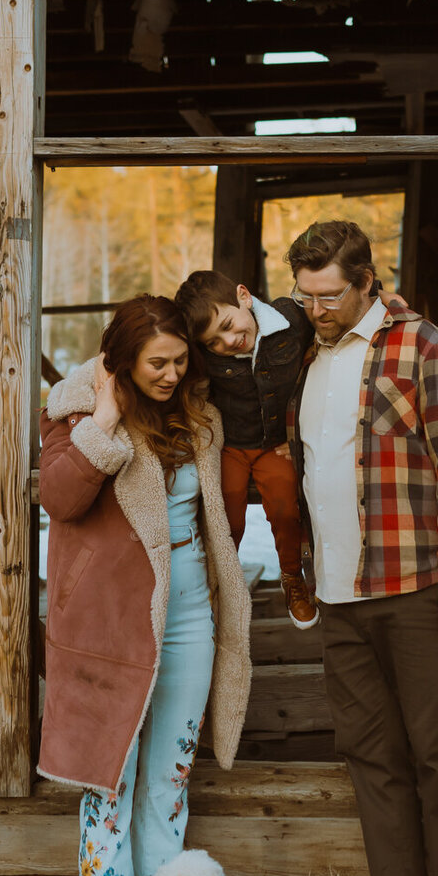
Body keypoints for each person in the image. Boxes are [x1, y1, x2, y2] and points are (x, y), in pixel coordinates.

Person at [285, 220, 438, 876]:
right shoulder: (309, 354)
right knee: (371, 755)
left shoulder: (424, 346)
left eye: (330, 295)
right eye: (306, 296)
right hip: (340, 592)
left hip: (415, 586)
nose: (317, 308)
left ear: (367, 280)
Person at [37, 295, 251, 876]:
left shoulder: (200, 418)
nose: (171, 374)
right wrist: (102, 421)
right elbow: (59, 499)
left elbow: (264, 350)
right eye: (157, 363)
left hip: (189, 618)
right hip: (111, 624)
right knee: (110, 782)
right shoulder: (75, 413)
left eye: (181, 360)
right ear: (121, 362)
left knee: (170, 781)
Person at [176, 268, 318, 630]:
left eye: (227, 324)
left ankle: (292, 578)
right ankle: (218, 584)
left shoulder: (289, 320)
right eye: (213, 342)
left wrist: (382, 296)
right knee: (226, 511)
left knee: (286, 507)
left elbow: (334, 310)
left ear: (243, 297)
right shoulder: (204, 357)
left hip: (276, 445)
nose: (227, 341)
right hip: (232, 447)